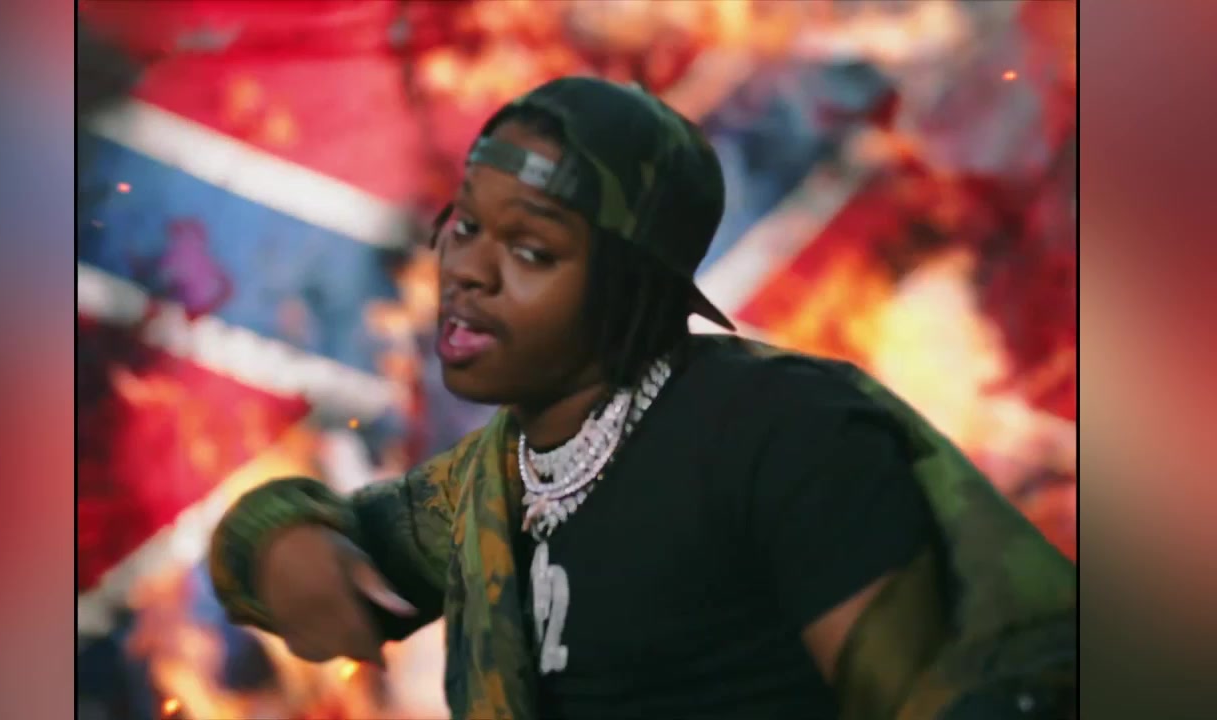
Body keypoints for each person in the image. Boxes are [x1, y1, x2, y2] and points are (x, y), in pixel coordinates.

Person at [209, 77, 1075, 720]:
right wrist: (283, 544)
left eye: (531, 249)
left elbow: (941, 698)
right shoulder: (493, 485)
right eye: (467, 225)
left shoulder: (785, 433)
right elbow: (300, 538)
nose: (468, 269)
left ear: (634, 285)